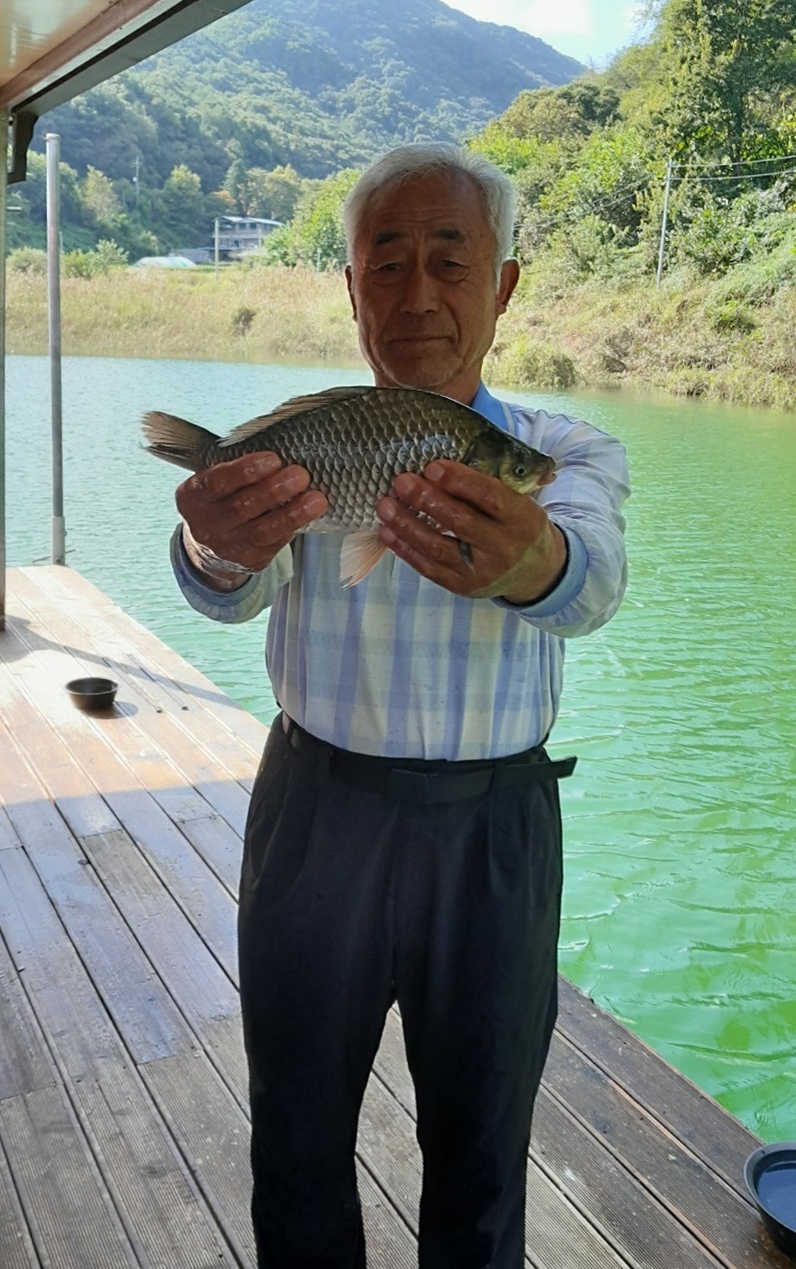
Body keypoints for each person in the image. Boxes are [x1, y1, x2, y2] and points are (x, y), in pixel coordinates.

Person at [165, 144, 629, 1268]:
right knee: (296, 1133)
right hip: (315, 815)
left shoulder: (560, 449)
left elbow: (590, 587)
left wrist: (533, 563)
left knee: (482, 1146)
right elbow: (224, 592)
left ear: (501, 285)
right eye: (385, 263)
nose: (416, 294)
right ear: (352, 288)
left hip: (492, 834)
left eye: (448, 261)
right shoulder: (309, 440)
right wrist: (214, 544)